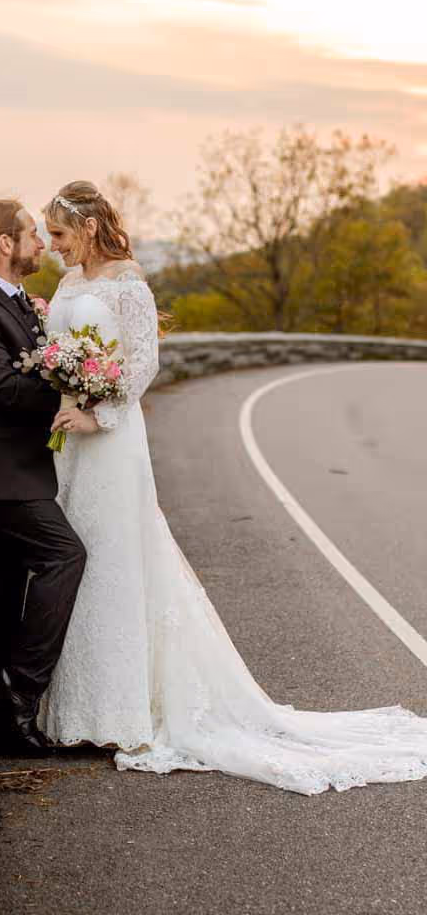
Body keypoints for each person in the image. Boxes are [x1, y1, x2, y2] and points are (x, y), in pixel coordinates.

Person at [36, 179, 427, 795]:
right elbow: (66, 348)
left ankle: (120, 711)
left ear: (86, 228)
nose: (51, 245)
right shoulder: (66, 284)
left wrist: (97, 413)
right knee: (78, 556)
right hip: (70, 444)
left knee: (114, 560)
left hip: (109, 439)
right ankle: (75, 705)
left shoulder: (127, 284)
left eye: (58, 233)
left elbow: (142, 365)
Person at [0, 198, 87, 756]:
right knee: (64, 556)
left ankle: (0, 712)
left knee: (6, 586)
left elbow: (31, 362)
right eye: (31, 233)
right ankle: (18, 695)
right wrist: (75, 387)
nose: (38, 244)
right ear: (5, 243)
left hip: (19, 468)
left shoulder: (17, 301)